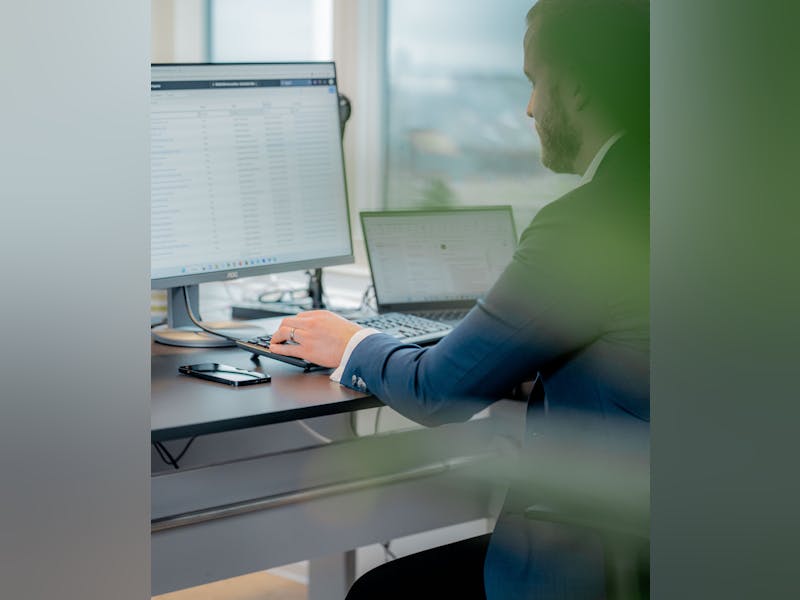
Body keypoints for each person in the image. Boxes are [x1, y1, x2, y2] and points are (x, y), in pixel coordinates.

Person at [270, 0, 649, 597]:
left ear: (574, 90)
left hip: (597, 561)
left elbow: (436, 391)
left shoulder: (588, 223)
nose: (528, 107)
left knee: (382, 593)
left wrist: (351, 342)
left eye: (533, 82)